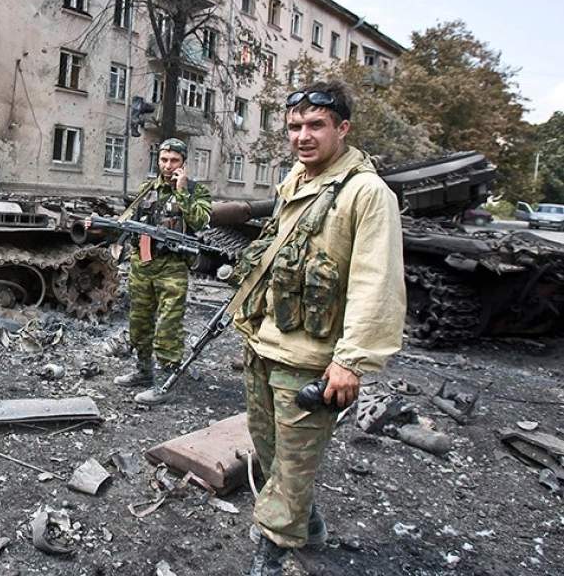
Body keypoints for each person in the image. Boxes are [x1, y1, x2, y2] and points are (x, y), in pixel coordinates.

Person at [225, 82, 405, 575]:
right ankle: (308, 522)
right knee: (271, 456)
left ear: (342, 129)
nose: (303, 136)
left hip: (311, 361)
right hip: (266, 346)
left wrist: (351, 361)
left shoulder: (367, 193)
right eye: (295, 127)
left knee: (295, 466)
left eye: (316, 126)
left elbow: (377, 282)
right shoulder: (297, 180)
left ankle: (274, 552)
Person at [112, 138, 211, 405]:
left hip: (173, 268)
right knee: (139, 321)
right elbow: (131, 221)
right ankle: (143, 371)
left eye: (174, 161)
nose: (168, 166)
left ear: (183, 163)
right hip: (143, 265)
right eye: (164, 160)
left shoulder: (195, 191)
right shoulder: (147, 190)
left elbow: (200, 221)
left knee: (168, 325)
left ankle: (166, 381)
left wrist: (181, 192)